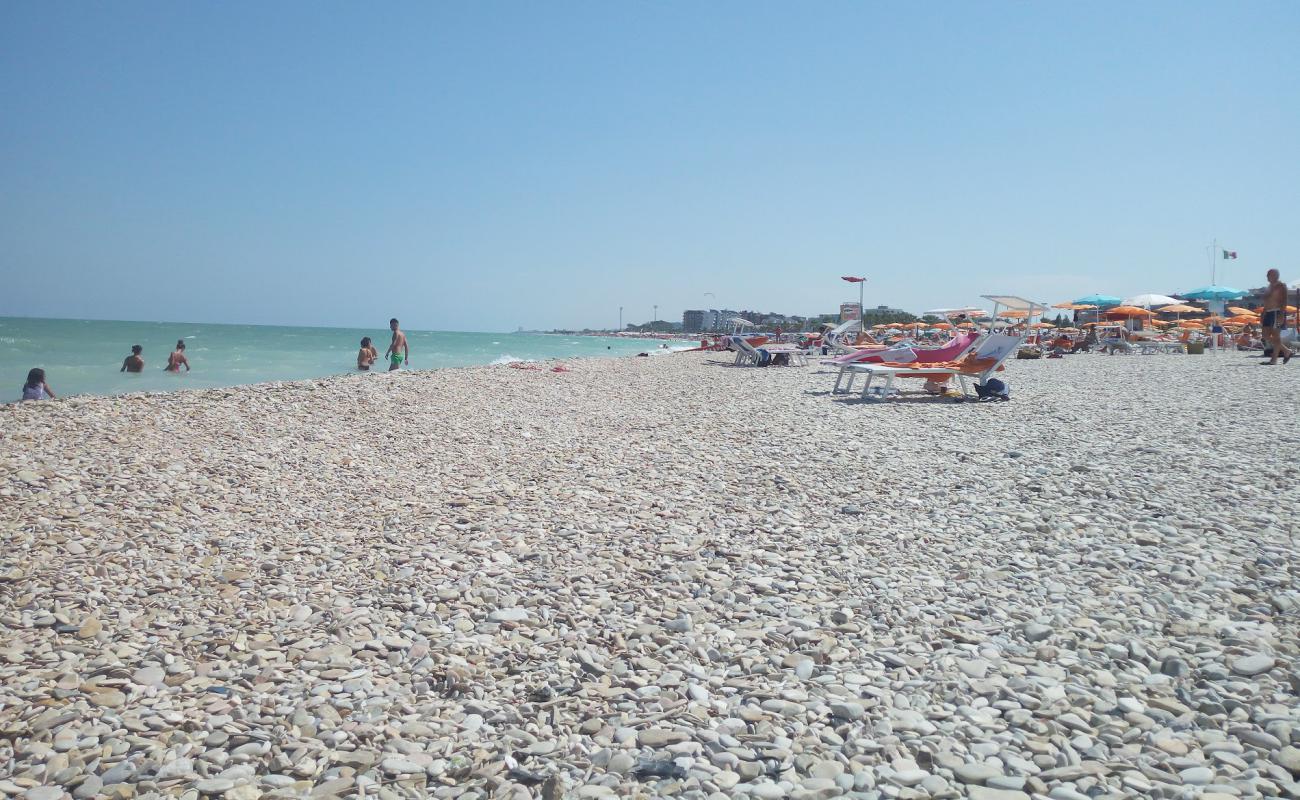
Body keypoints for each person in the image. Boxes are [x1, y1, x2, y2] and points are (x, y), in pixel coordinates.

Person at [1260, 268, 1292, 365]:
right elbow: (1266, 302)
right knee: (1265, 335)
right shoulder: (1269, 287)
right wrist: (1263, 314)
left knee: (1276, 336)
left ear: (1275, 275)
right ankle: (1286, 351)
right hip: (1268, 312)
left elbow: (1284, 301)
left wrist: (1281, 315)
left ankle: (1274, 360)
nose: (1267, 276)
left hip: (1276, 312)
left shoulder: (1281, 286)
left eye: (1269, 274)